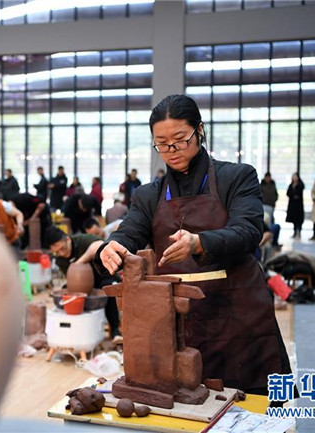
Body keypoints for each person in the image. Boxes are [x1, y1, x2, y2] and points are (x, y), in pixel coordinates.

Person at [94, 94, 292, 401]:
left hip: (238, 316)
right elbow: (130, 231)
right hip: (181, 323)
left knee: (252, 406)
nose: (171, 151)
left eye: (180, 139)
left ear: (199, 131)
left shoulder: (236, 178)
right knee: (187, 403)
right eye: (162, 144)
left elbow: (248, 231)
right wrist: (112, 247)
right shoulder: (149, 195)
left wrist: (199, 243)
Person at [45, 226, 120, 339]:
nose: (61, 253)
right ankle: (76, 331)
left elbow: (99, 244)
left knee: (108, 289)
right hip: (83, 284)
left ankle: (115, 329)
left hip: (103, 275)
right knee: (66, 292)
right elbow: (72, 278)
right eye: (57, 252)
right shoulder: (60, 259)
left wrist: (80, 262)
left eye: (62, 249)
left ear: (68, 239)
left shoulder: (81, 240)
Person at [285, 172, 304, 239]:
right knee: (294, 220)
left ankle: (299, 232)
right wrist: (293, 195)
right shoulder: (291, 185)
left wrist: (294, 195)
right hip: (292, 205)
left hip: (298, 205)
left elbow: (298, 194)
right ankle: (295, 232)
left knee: (299, 219)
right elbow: (288, 193)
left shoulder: (300, 185)